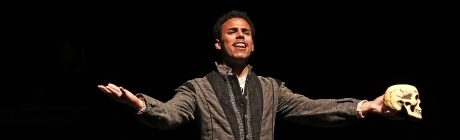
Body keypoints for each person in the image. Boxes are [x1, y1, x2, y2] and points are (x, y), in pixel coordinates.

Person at [98, 10, 400, 140]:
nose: (240, 36)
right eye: (232, 32)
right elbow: (173, 114)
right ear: (219, 43)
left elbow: (311, 108)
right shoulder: (198, 88)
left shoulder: (271, 88)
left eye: (246, 32)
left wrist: (365, 106)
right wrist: (141, 104)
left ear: (253, 44)